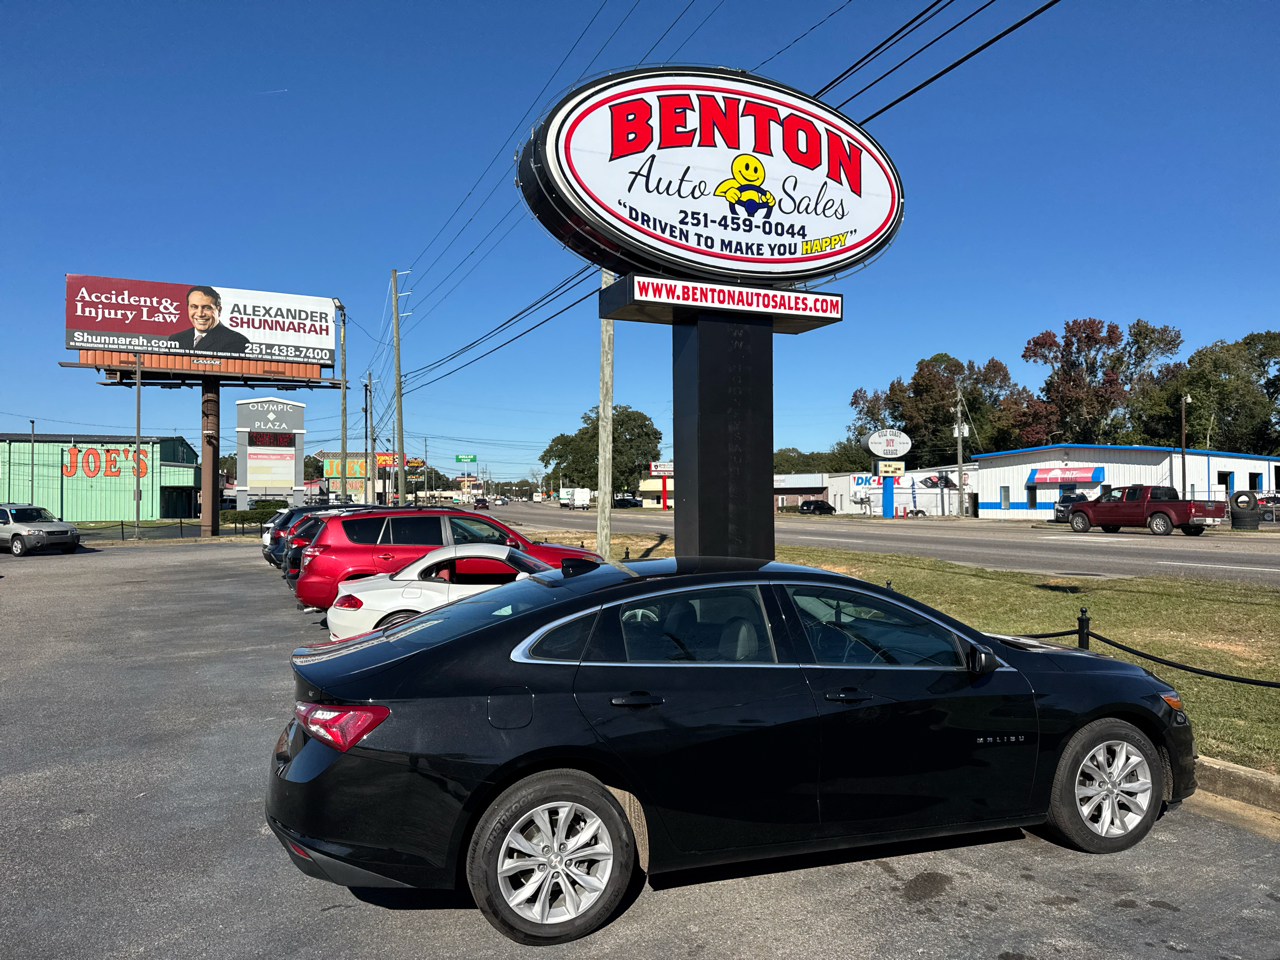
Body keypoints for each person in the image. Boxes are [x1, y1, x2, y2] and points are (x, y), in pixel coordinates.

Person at [169, 286, 250, 354]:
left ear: (219, 310)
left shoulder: (236, 341)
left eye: (207, 308)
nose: (200, 314)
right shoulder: (176, 339)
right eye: (194, 307)